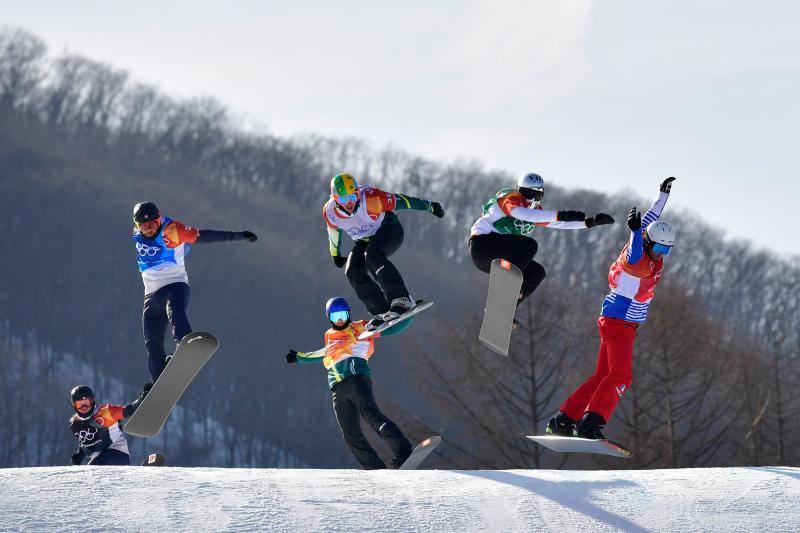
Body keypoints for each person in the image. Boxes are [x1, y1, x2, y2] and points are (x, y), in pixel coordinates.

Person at [548, 177, 677, 439]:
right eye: (660, 247)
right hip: (621, 321)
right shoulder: (638, 257)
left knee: (602, 376)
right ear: (649, 242)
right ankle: (590, 424)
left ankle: (563, 419)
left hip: (615, 319)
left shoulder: (648, 244)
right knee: (620, 376)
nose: (662, 253)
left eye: (667, 248)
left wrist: (663, 196)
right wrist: (632, 231)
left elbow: (651, 218)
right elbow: (633, 250)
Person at [132, 201, 258, 381]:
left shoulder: (173, 230)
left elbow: (205, 236)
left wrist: (238, 235)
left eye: (152, 224)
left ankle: (186, 346)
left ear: (159, 220)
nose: (149, 230)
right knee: (152, 343)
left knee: (175, 313)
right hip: (151, 295)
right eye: (143, 227)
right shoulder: (138, 233)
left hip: (174, 285)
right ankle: (158, 385)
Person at [285, 296, 414, 469]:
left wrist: (409, 316)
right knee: (350, 433)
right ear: (329, 318)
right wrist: (299, 358)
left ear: (348, 314)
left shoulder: (360, 327)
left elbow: (391, 329)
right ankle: (374, 468)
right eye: (335, 316)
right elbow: (325, 353)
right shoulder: (329, 335)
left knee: (371, 414)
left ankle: (403, 451)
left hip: (356, 378)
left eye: (343, 315)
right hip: (337, 388)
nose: (340, 320)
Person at [470, 172, 615, 319]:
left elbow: (556, 223)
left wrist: (589, 222)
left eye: (536, 195)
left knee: (536, 273)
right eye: (527, 193)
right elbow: (521, 214)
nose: (530, 199)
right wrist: (561, 214)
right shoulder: (510, 196)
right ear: (519, 190)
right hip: (484, 246)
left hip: (499, 258)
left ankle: (503, 312)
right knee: (529, 245)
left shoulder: (535, 211)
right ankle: (507, 288)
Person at [323, 172, 445, 331]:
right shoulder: (330, 212)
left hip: (389, 230)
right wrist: (335, 254)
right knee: (352, 271)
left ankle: (402, 299)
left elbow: (403, 201)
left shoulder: (372, 199)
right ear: (335, 199)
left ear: (358, 192)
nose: (349, 203)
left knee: (372, 255)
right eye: (343, 199)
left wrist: (430, 206)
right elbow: (333, 231)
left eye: (352, 197)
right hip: (363, 241)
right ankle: (382, 311)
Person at [68, 384, 150, 466]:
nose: (84, 407)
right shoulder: (74, 423)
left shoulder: (104, 413)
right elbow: (85, 441)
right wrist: (79, 455)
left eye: (87, 403)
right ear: (74, 405)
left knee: (94, 467)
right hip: (98, 459)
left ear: (92, 402)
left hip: (118, 454)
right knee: (92, 470)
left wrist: (141, 400)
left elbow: (129, 409)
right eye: (80, 404)